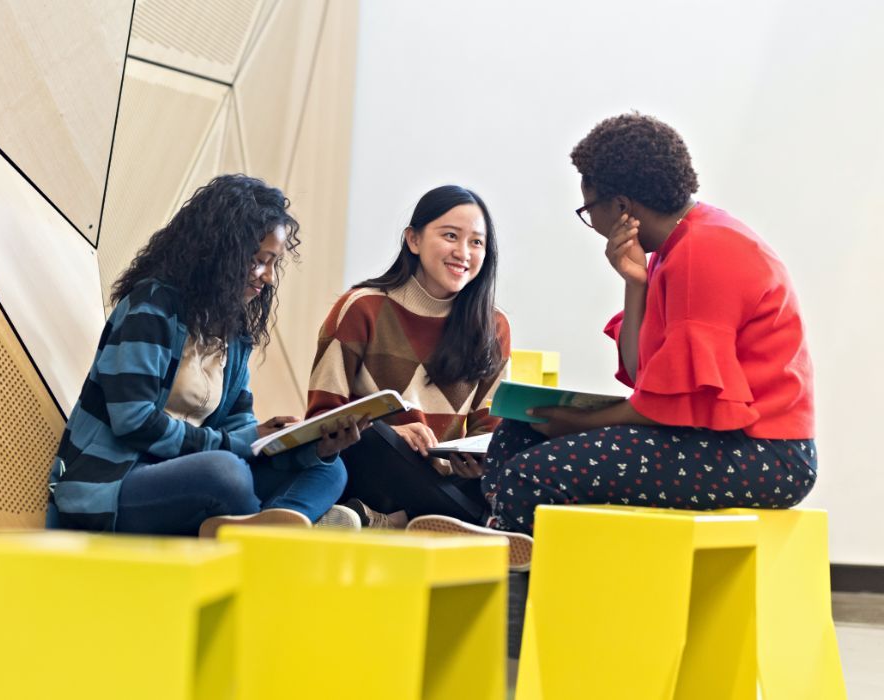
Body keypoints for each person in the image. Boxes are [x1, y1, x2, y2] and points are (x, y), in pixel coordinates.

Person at [425, 113, 816, 559]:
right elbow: (642, 374)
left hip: (767, 456)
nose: (593, 223)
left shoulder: (706, 252)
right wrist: (636, 284)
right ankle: (495, 532)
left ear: (622, 206)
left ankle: (504, 574)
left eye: (590, 210)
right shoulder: (676, 249)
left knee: (532, 476)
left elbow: (666, 408)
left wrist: (579, 423)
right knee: (520, 430)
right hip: (719, 437)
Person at [47, 174, 368, 536]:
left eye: (273, 263)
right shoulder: (151, 307)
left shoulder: (235, 335)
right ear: (222, 253)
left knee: (329, 468)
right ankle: (276, 532)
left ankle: (266, 532)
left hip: (193, 474)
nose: (269, 278)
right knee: (224, 472)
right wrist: (235, 444)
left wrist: (306, 445)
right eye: (261, 260)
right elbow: (133, 421)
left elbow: (236, 426)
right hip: (116, 481)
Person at [307, 185, 515, 536]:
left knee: (516, 461)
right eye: (450, 236)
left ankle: (389, 521)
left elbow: (488, 429)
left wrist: (473, 463)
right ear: (413, 240)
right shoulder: (361, 308)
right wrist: (393, 433)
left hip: (446, 477)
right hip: (375, 465)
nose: (463, 252)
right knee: (376, 441)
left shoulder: (493, 326)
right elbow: (320, 421)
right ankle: (480, 526)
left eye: (476, 242)